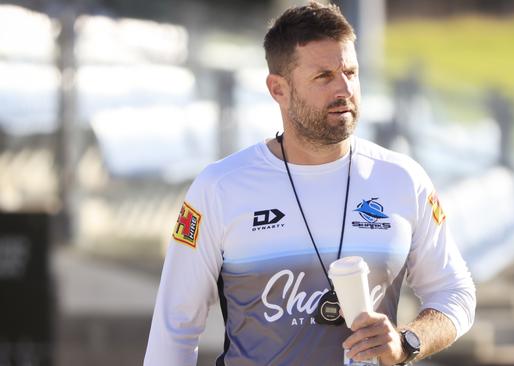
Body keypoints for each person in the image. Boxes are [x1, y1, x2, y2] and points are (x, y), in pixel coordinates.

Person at [144, 2, 475, 365]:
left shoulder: (403, 179)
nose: (345, 88)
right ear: (278, 89)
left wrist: (407, 342)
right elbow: (174, 329)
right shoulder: (220, 187)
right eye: (324, 76)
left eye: (351, 72)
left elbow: (455, 293)